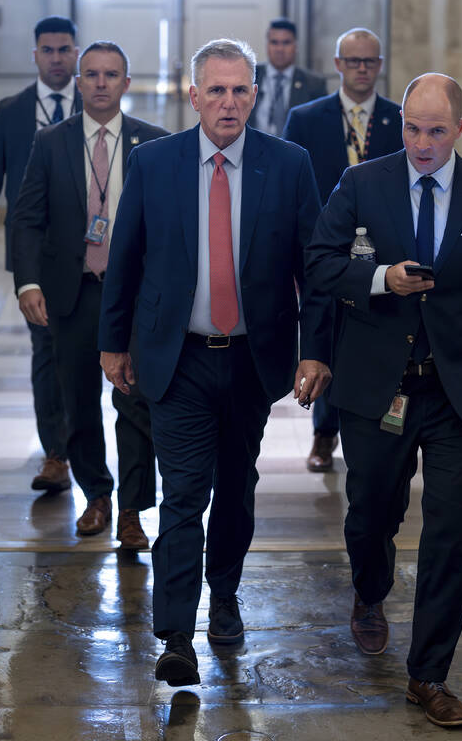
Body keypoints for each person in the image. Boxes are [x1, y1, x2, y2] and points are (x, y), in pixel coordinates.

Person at [305, 73, 462, 729]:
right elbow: (320, 264)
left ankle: (429, 674)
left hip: (460, 393)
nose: (423, 143)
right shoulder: (363, 183)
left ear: (460, 129)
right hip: (377, 386)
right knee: (371, 514)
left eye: (437, 131)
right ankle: (370, 591)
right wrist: (381, 278)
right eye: (412, 128)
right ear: (400, 122)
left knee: (452, 535)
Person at [98, 39, 332, 687]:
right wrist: (112, 342)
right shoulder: (155, 164)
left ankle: (224, 594)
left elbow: (312, 268)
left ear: (254, 96)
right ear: (193, 95)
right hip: (179, 359)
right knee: (183, 496)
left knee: (236, 489)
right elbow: (126, 259)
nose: (228, 103)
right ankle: (176, 633)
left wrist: (315, 347)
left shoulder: (289, 166)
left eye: (240, 90)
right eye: (216, 90)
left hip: (254, 359)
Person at [10, 42, 168, 544]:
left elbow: (169, 229)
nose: (101, 83)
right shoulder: (51, 143)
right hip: (73, 293)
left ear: (126, 82)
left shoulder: (154, 144)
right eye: (92, 75)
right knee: (78, 401)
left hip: (136, 297)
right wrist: (28, 281)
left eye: (112, 74)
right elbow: (28, 219)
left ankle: (132, 511)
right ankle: (96, 495)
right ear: (78, 82)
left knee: (136, 403)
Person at [283, 27, 403, 473]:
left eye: (369, 61)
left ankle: (377, 431)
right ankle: (323, 433)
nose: (361, 69)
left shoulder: (398, 118)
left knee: (373, 340)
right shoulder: (306, 118)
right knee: (325, 336)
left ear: (380, 65)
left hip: (383, 251)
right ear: (337, 64)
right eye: (352, 61)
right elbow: (292, 187)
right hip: (326, 246)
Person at [0, 15, 81, 491]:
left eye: (64, 49)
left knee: (92, 350)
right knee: (47, 351)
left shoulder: (97, 104)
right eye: (48, 50)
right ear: (35, 54)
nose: (57, 58)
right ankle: (56, 453)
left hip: (89, 251)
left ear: (75, 52)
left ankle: (88, 444)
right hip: (33, 253)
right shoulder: (13, 112)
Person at [248, 18, 327, 136]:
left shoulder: (314, 84)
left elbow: (321, 127)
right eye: (274, 42)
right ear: (267, 45)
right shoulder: (250, 75)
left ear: (296, 46)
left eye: (286, 42)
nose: (280, 49)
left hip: (296, 150)